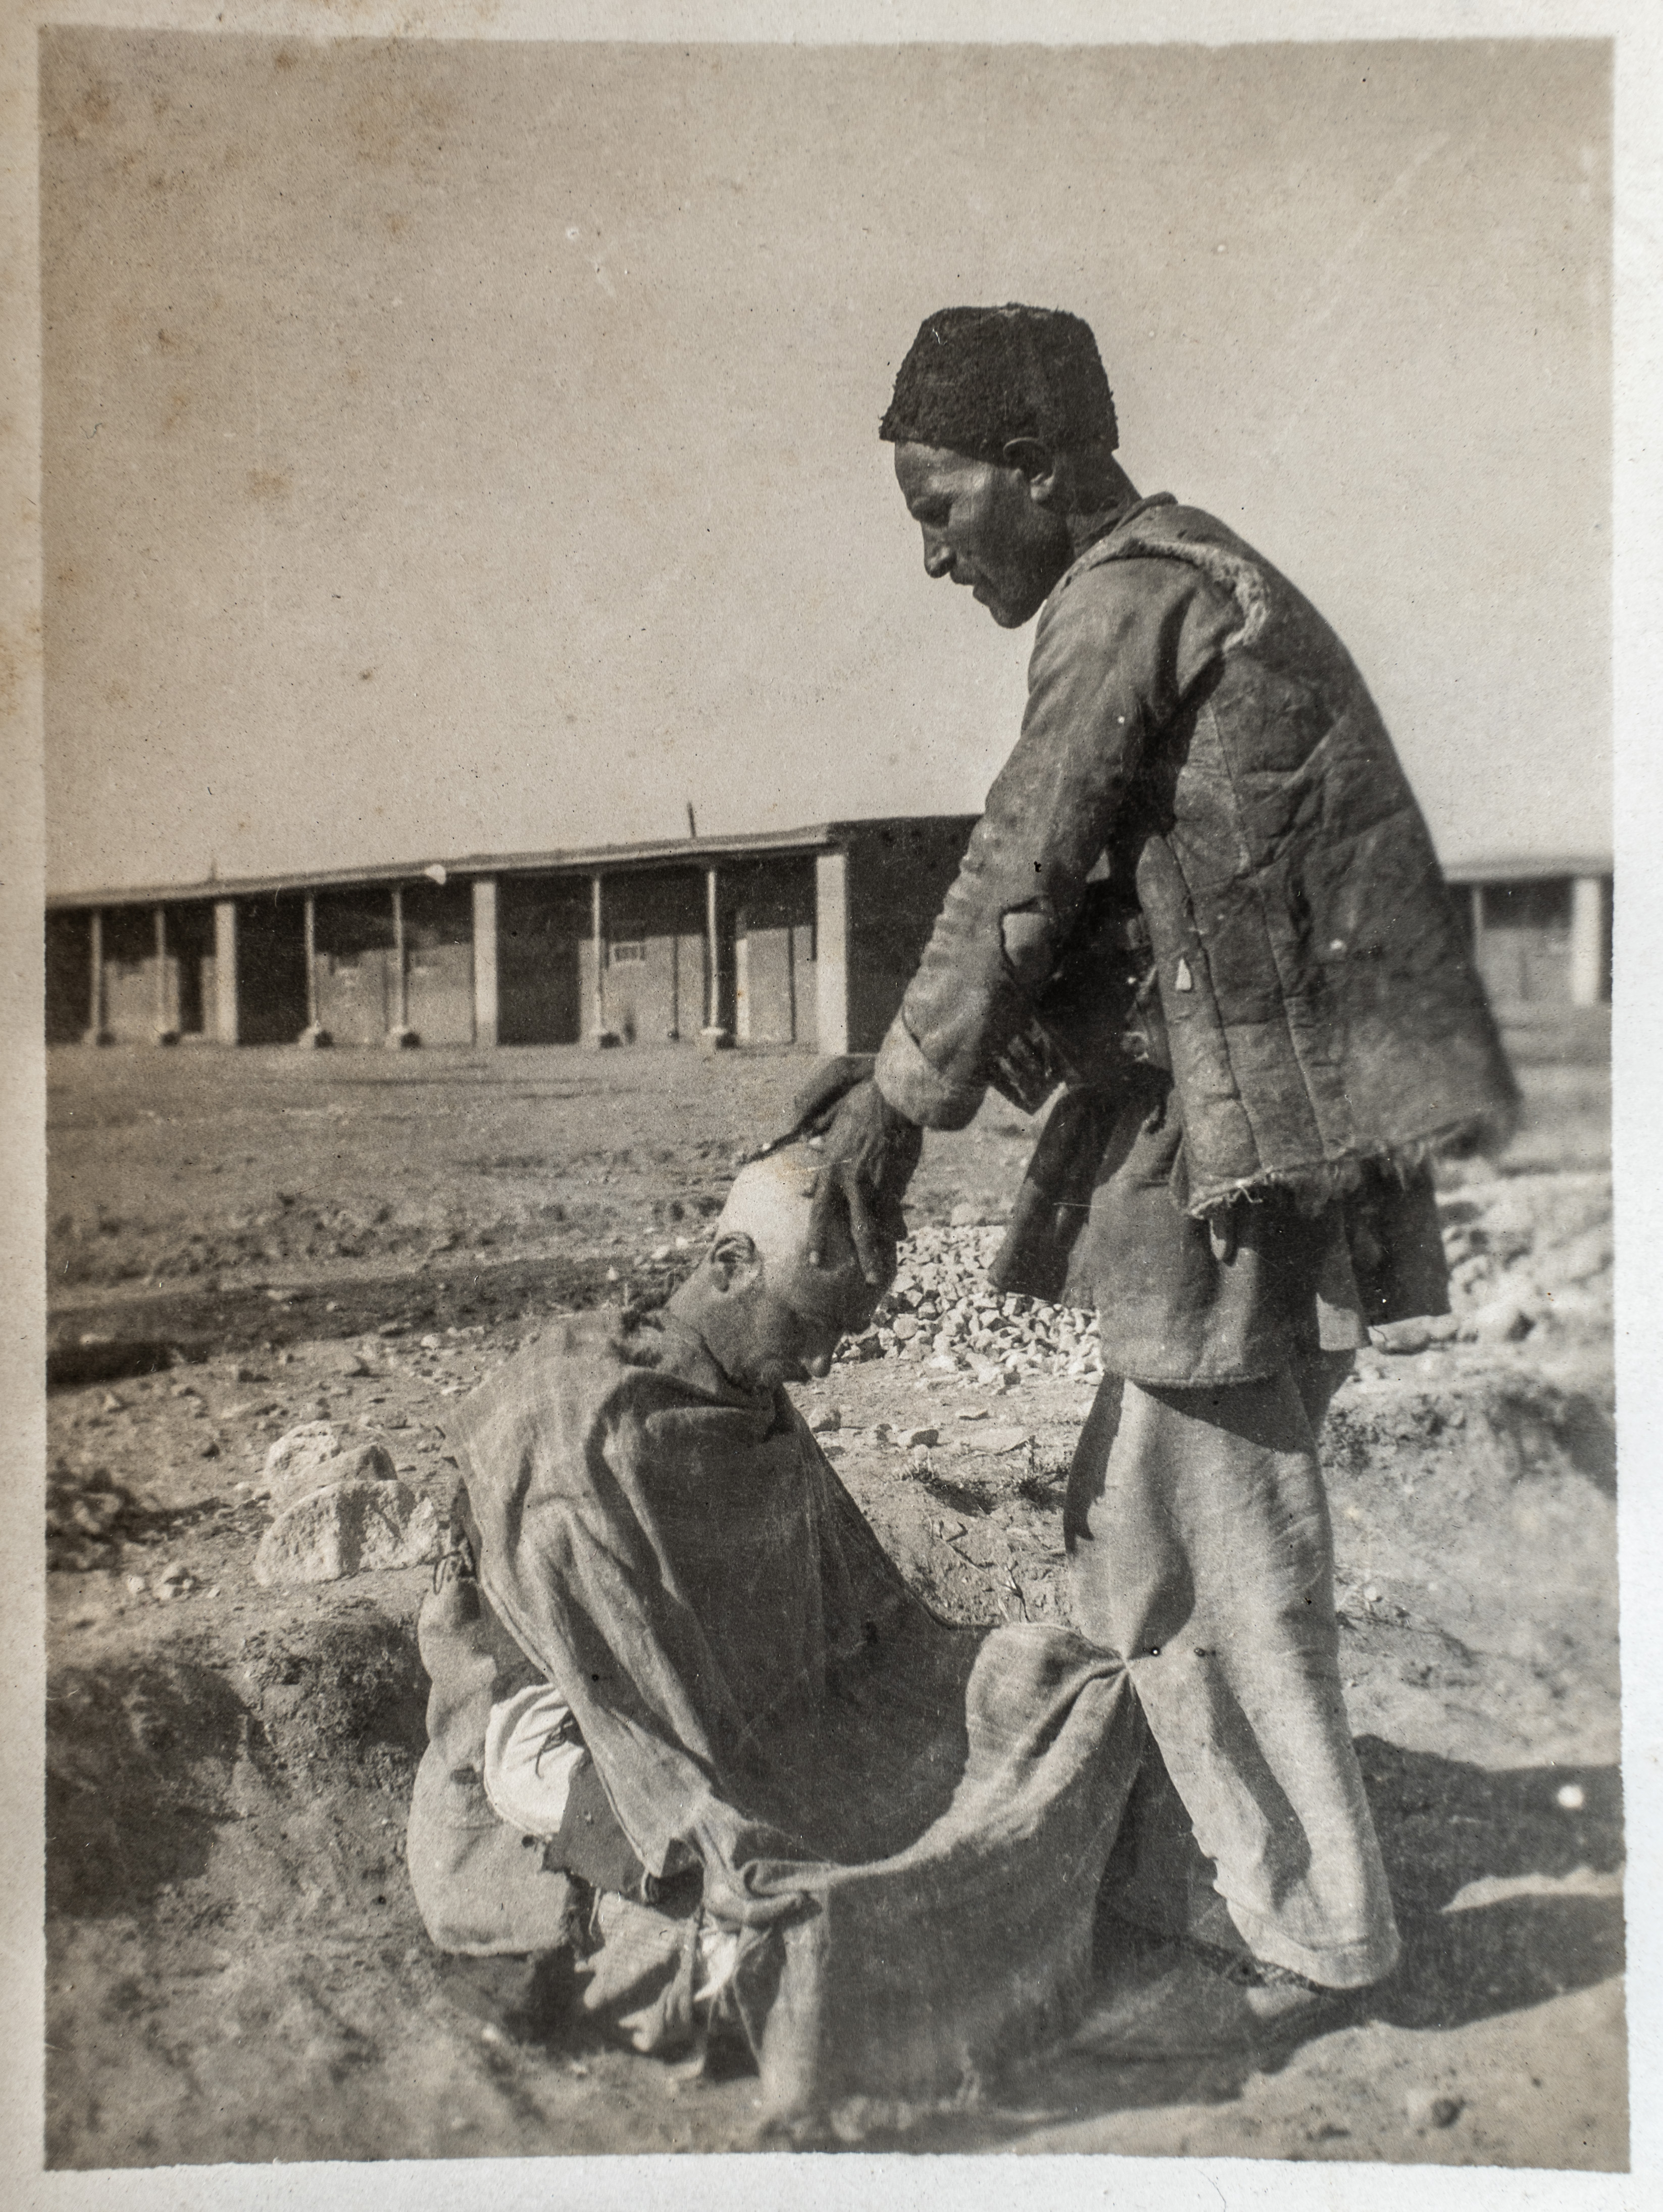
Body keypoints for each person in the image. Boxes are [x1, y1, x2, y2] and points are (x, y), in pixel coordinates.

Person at [796, 303, 1519, 2040]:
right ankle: (1184, 1879)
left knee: (1213, 1545)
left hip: (1243, 1162)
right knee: (1145, 1527)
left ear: (1040, 469)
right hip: (1236, 1141)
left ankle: (1317, 1936)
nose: (932, 553)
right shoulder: (1183, 580)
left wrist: (891, 1115)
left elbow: (1023, 859)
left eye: (941, 504)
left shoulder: (1131, 595)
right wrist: (1045, 1019)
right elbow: (1165, 871)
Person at [406, 1144, 1145, 2129]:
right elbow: (624, 1704)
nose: (822, 1362)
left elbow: (856, 1617)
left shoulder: (744, 1396)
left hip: (761, 1724)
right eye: (810, 1328)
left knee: (1061, 1688)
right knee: (773, 1919)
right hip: (580, 1744)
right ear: (730, 1267)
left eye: (839, 1337)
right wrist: (733, 1828)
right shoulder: (583, 1420)